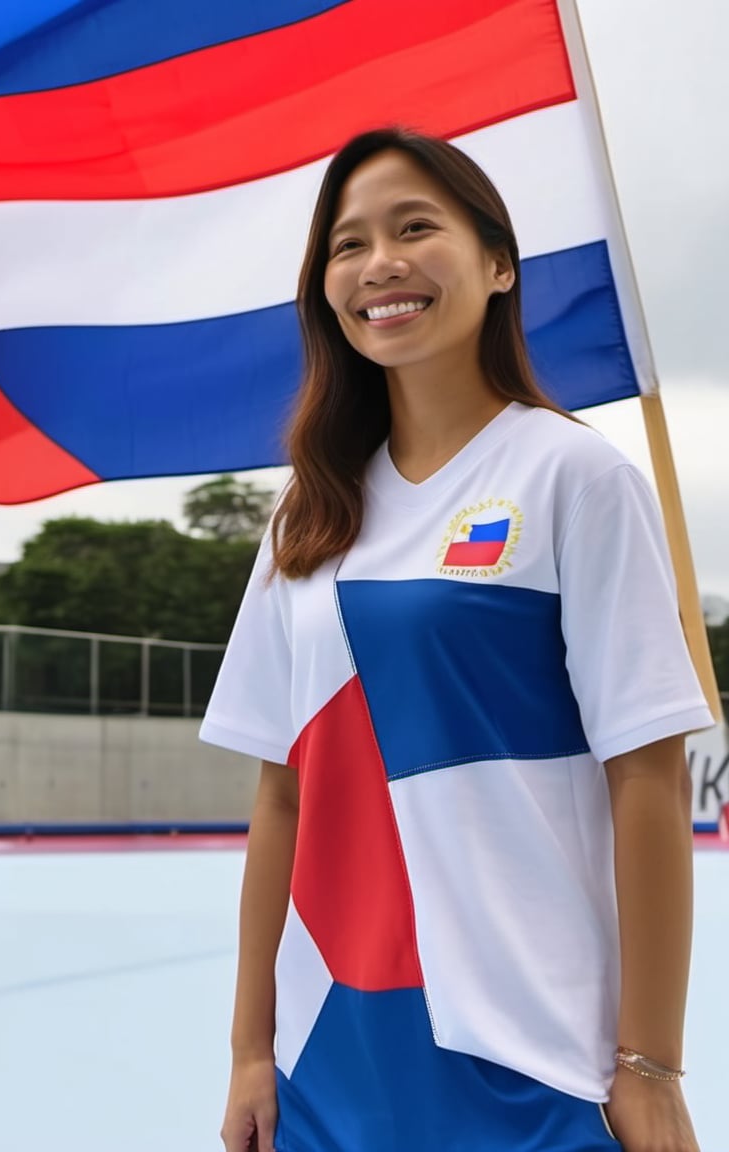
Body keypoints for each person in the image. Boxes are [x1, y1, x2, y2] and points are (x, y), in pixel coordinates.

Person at [200, 127, 712, 1152]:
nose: (379, 263)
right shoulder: (308, 514)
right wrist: (251, 1052)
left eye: (415, 227)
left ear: (499, 263)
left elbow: (647, 777)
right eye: (347, 245)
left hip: (532, 1059)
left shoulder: (573, 477)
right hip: (329, 1059)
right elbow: (282, 796)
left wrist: (648, 1066)